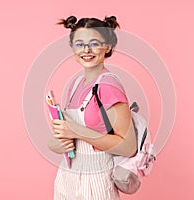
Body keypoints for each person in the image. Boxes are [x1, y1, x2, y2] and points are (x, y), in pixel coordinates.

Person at [47, 15, 137, 200]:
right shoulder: (76, 84)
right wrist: (57, 144)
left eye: (94, 43)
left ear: (108, 47)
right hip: (67, 177)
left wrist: (77, 131)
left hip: (95, 181)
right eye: (79, 44)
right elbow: (68, 135)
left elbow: (128, 147)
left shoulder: (109, 86)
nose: (86, 50)